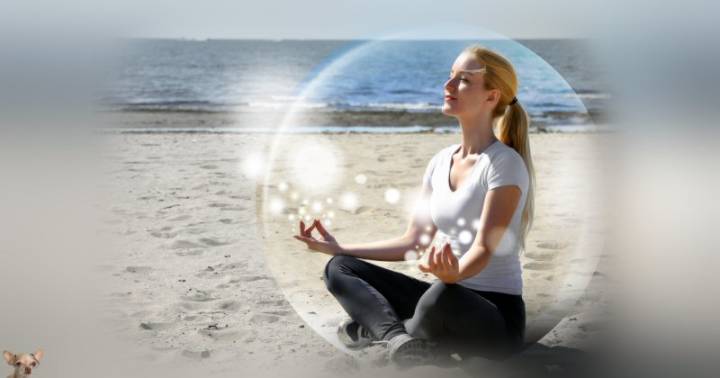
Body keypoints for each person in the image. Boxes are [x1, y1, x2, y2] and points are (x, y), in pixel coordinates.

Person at [293, 44, 535, 366]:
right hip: (445, 291)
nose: (447, 87)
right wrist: (340, 247)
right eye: (450, 77)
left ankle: (377, 329)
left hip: (493, 317)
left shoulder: (504, 164)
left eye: (463, 80)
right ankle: (397, 338)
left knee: (439, 297)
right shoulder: (439, 162)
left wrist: (455, 273)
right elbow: (414, 241)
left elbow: (484, 248)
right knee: (339, 267)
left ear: (491, 97)